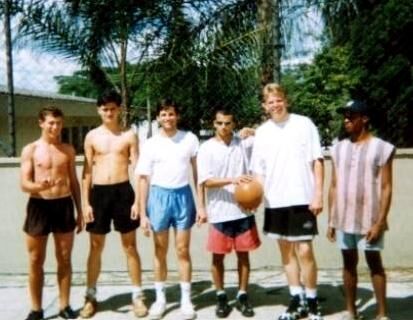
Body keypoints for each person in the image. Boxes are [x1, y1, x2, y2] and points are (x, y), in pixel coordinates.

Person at [250, 83, 324, 320]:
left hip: (302, 198)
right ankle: (296, 299)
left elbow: (317, 161)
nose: (275, 105)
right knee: (286, 252)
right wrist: (255, 195)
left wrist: (318, 193)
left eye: (278, 100)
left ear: (286, 100)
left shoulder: (304, 124)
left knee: (304, 251)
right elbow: (258, 171)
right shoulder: (262, 132)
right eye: (270, 102)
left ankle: (312, 301)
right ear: (265, 106)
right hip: (275, 201)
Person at [80, 89, 147, 318]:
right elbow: (86, 172)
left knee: (130, 246)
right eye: (104, 108)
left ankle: (138, 296)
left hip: (123, 192)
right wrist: (85, 203)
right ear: (99, 110)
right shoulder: (92, 136)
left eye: (113, 108)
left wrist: (138, 201)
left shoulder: (129, 135)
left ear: (119, 109)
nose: (109, 112)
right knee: (95, 247)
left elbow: (138, 170)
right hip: (98, 194)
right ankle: (90, 297)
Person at [327, 100, 395, 320]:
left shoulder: (381, 148)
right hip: (344, 218)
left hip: (370, 219)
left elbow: (386, 187)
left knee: (374, 262)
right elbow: (334, 185)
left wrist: (380, 221)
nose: (346, 120)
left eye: (351, 116)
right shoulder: (338, 149)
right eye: (344, 116)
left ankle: (382, 313)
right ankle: (351, 311)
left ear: (364, 119)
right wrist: (331, 219)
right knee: (348, 263)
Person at [136, 99, 199, 320]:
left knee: (182, 250)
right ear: (158, 118)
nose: (167, 118)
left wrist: (201, 204)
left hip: (183, 196)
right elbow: (143, 178)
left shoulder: (190, 139)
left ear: (177, 116)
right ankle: (160, 299)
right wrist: (143, 213)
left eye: (171, 114)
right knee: (159, 251)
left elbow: (198, 174)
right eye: (163, 114)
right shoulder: (150, 144)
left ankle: (186, 300)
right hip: (159, 197)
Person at [196, 108, 261, 318]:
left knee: (244, 257)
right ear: (213, 124)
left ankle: (243, 295)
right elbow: (206, 181)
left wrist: (252, 130)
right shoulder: (205, 148)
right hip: (219, 212)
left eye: (228, 123)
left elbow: (268, 138)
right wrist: (232, 180)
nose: (224, 127)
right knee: (218, 258)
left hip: (243, 211)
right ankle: (221, 295)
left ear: (234, 124)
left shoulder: (242, 144)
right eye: (220, 123)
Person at [20, 106, 82, 320]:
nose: (55, 127)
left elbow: (74, 182)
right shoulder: (31, 149)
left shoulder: (68, 150)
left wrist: (81, 211)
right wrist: (40, 186)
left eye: (59, 123)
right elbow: (24, 184)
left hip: (64, 205)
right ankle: (36, 309)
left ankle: (64, 305)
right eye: (51, 123)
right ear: (41, 123)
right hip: (39, 206)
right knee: (36, 259)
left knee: (64, 258)